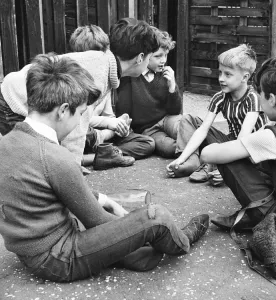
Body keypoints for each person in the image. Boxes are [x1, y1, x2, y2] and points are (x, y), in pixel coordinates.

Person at [0, 53, 209, 282]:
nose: (80, 122)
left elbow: (56, 187)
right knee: (155, 217)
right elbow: (96, 220)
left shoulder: (9, 140)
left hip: (30, 249)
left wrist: (107, 201)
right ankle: (181, 240)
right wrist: (137, 229)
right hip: (59, 259)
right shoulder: (56, 157)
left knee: (116, 206)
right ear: (62, 110)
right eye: (80, 114)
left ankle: (138, 255)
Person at [0, 21, 158, 171]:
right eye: (150, 58)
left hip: (22, 98)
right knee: (33, 168)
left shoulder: (104, 63)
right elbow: (75, 131)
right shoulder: (98, 73)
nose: (148, 63)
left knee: (45, 166)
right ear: (140, 58)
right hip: (13, 102)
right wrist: (73, 171)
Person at [201, 56, 276, 279]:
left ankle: (253, 215)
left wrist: (248, 146)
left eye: (261, 96)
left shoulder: (273, 136)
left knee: (222, 150)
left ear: (272, 99)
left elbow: (209, 154)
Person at [166, 44, 267, 183]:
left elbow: (244, 137)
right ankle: (191, 161)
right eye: (220, 72)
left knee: (235, 158)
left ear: (245, 77)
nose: (221, 78)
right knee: (189, 120)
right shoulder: (220, 97)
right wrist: (181, 158)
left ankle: (221, 167)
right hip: (231, 141)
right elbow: (203, 129)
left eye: (228, 74)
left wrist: (229, 171)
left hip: (251, 149)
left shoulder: (253, 98)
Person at [69, 25, 156, 170]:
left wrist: (116, 123)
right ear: (141, 58)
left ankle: (101, 154)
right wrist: (74, 165)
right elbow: (76, 124)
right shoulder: (97, 70)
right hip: (23, 113)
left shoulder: (108, 71)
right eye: (150, 58)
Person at [116, 27, 182, 158]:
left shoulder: (165, 74)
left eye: (166, 55)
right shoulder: (132, 76)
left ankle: (198, 152)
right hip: (148, 129)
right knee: (170, 148)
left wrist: (172, 87)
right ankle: (192, 152)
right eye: (158, 56)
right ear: (144, 56)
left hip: (167, 119)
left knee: (185, 129)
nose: (163, 60)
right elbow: (124, 110)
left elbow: (175, 111)